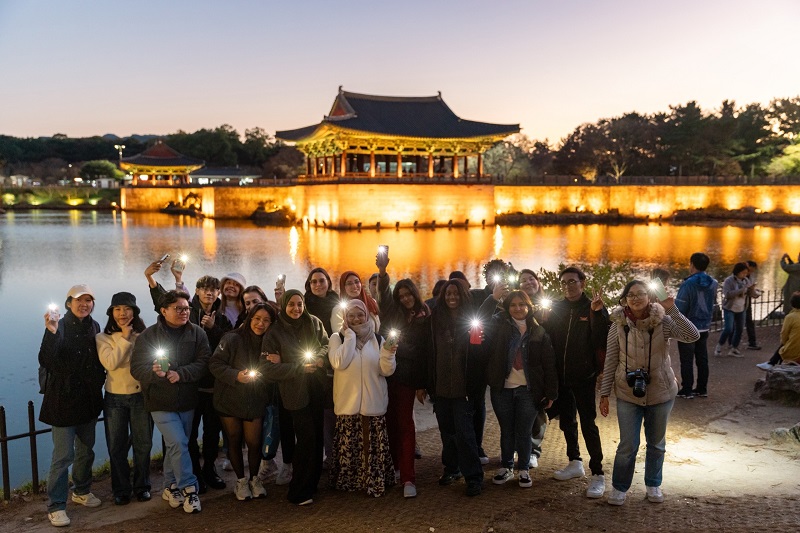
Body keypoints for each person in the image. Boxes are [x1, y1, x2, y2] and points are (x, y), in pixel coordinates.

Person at [599, 280, 699, 505]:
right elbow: (611, 360)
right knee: (628, 444)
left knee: (656, 442)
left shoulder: (663, 321)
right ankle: (619, 487)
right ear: (624, 299)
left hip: (660, 391)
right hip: (627, 391)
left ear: (650, 297)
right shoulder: (618, 324)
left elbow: (692, 336)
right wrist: (604, 394)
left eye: (641, 294)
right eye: (631, 295)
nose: (636, 298)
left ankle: (653, 484)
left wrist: (672, 309)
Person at [130, 290, 211, 514]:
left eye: (186, 308)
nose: (184, 312)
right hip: (159, 400)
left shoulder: (197, 334)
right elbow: (136, 368)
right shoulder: (148, 336)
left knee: (177, 444)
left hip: (187, 400)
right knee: (178, 442)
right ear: (163, 310)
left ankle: (169, 485)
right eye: (178, 308)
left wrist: (181, 374)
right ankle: (189, 489)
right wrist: (154, 372)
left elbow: (204, 362)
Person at [39, 285, 105, 528]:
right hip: (63, 401)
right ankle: (56, 505)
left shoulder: (95, 326)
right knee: (63, 456)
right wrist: (51, 331)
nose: (84, 304)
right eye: (79, 300)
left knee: (87, 450)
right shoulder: (59, 325)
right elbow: (45, 359)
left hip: (88, 399)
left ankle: (81, 490)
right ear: (68, 303)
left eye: (88, 300)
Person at [541, 266, 608, 499]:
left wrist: (598, 314)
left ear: (582, 283)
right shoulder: (557, 308)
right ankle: (574, 461)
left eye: (572, 281)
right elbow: (546, 338)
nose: (568, 286)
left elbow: (602, 339)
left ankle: (598, 474)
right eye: (564, 282)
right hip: (561, 377)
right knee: (567, 421)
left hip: (584, 377)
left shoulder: (592, 307)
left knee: (588, 423)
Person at [261, 290, 329, 505]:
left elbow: (326, 345)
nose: (296, 309)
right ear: (283, 306)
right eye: (291, 304)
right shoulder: (275, 332)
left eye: (300, 304)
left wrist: (319, 358)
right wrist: (297, 367)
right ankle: (298, 490)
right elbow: (267, 368)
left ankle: (312, 483)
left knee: (317, 437)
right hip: (294, 392)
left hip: (317, 388)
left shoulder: (314, 322)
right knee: (306, 438)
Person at [485, 289, 558, 489]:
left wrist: (551, 393)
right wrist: (492, 297)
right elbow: (482, 319)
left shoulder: (538, 331)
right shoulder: (499, 326)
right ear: (508, 308)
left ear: (529, 307)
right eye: (513, 305)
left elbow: (549, 364)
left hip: (528, 390)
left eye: (522, 305)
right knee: (506, 430)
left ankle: (524, 469)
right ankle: (506, 467)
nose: (518, 309)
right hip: (503, 388)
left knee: (524, 432)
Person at [428, 279, 492, 497]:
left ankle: (474, 477)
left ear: (463, 296)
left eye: (456, 293)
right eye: (448, 294)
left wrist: (481, 343)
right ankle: (452, 469)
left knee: (466, 435)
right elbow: (428, 353)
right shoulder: (435, 319)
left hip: (464, 390)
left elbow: (481, 358)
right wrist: (428, 386)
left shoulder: (472, 320)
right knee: (447, 434)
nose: (452, 297)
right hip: (441, 389)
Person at [328, 299, 397, 497]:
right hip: (347, 403)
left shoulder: (378, 339)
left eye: (360, 314)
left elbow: (386, 371)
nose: (356, 319)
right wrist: (349, 336)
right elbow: (338, 363)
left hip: (373, 402)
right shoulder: (337, 338)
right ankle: (350, 483)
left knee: (372, 446)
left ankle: (374, 481)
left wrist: (389, 355)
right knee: (350, 445)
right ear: (345, 318)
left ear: (367, 315)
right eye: (351, 315)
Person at [376, 254, 431, 498]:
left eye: (409, 294)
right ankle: (395, 468)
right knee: (388, 424)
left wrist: (421, 384)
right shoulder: (392, 313)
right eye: (402, 296)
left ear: (415, 295)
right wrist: (382, 271)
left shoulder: (425, 317)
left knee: (405, 425)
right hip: (386, 376)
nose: (406, 299)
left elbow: (424, 353)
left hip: (408, 378)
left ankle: (409, 477)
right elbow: (384, 295)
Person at [209, 303, 276, 501]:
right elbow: (214, 363)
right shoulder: (232, 338)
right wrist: (236, 375)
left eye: (266, 320)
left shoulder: (271, 342)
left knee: (255, 442)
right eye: (257, 319)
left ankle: (255, 478)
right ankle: (240, 481)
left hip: (254, 398)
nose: (260, 324)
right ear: (249, 318)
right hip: (229, 397)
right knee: (234, 439)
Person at [96, 292, 152, 506]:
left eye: (127, 309)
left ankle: (142, 486)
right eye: (118, 309)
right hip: (115, 398)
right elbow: (111, 363)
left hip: (139, 396)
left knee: (143, 444)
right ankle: (121, 489)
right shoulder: (103, 338)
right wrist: (126, 339)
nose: (122, 313)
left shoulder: (144, 335)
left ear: (134, 312)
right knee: (117, 446)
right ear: (111, 313)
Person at [303, 267, 340, 471]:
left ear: (328, 282)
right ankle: (320, 456)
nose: (317, 285)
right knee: (315, 412)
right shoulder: (304, 304)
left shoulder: (337, 303)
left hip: (333, 363)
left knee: (332, 412)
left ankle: (334, 455)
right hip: (310, 362)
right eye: (313, 281)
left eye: (321, 281)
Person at [517, 268, 550, 468]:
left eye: (532, 279)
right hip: (519, 367)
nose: (529, 283)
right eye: (523, 281)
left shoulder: (549, 306)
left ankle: (533, 451)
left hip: (541, 366)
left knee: (538, 410)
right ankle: (519, 448)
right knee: (518, 411)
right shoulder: (515, 306)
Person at [675, 252, 719, 399]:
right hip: (704, 325)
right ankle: (702, 388)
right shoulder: (713, 283)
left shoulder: (688, 283)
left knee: (686, 360)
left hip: (688, 325)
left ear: (692, 264)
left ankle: (687, 389)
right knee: (702, 358)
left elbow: (681, 306)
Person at [714, 262, 751, 357]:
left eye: (746, 273)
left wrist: (754, 292)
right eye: (743, 272)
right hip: (730, 308)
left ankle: (734, 347)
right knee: (729, 328)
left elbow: (748, 292)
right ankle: (719, 345)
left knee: (740, 328)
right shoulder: (729, 281)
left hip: (741, 307)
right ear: (737, 272)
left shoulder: (746, 280)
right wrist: (741, 290)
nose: (745, 275)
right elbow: (727, 294)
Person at [744, 260, 762, 350]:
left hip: (747, 301)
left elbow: (750, 289)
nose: (751, 271)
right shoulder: (741, 275)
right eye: (751, 269)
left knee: (749, 322)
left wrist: (754, 292)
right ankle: (731, 342)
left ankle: (752, 342)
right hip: (740, 302)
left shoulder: (750, 275)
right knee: (738, 322)